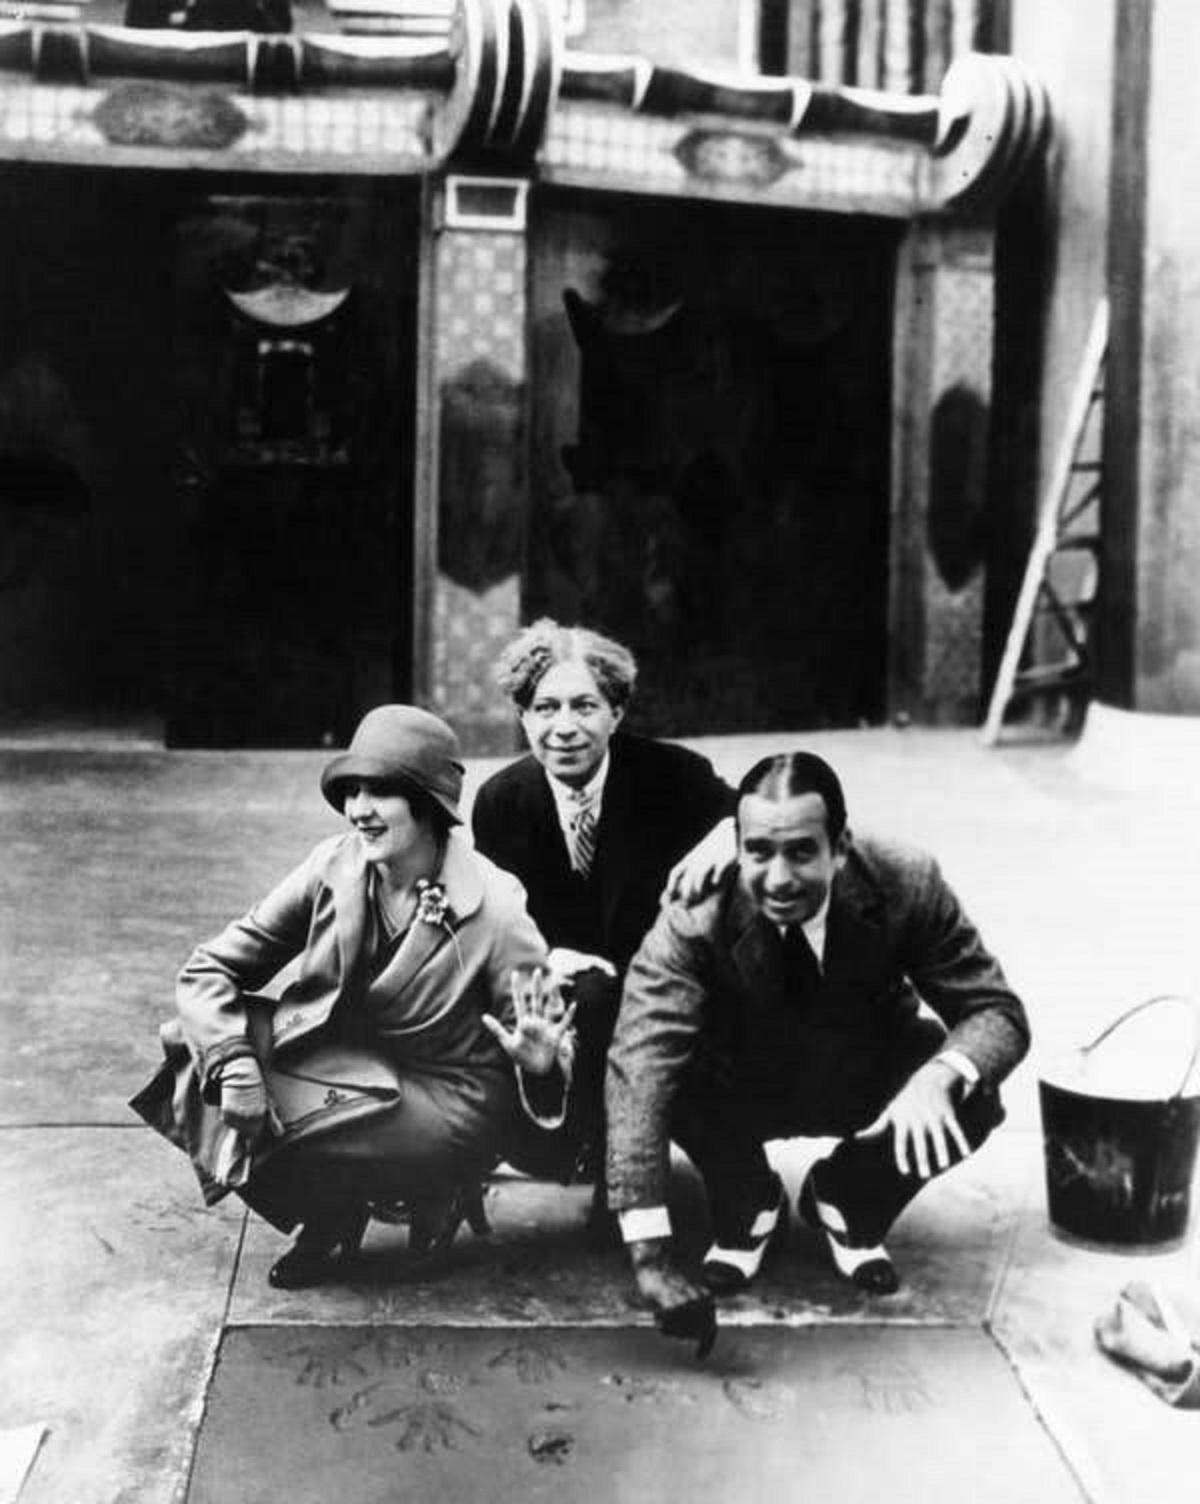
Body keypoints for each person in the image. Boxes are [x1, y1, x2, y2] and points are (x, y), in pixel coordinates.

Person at [606, 750, 1031, 1354]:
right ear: (736, 846)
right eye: (759, 852)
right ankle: (747, 1199)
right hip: (741, 1086)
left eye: (801, 851)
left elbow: (997, 1012)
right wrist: (649, 1256)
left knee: (973, 1091)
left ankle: (850, 1196)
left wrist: (939, 1076)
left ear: (841, 847)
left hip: (857, 1072)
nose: (779, 878)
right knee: (669, 1075)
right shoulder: (695, 914)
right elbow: (638, 1069)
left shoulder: (906, 881)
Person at [137, 705, 574, 1290]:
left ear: (428, 802)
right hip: (349, 1065)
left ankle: (434, 1187)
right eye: (352, 790)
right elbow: (209, 968)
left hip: (450, 1097)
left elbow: (543, 1051)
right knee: (195, 1055)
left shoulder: (495, 906)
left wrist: (541, 1067)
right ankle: (332, 1215)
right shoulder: (334, 867)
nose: (359, 811)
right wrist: (234, 1064)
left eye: (382, 791)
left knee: (285, 1115)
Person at [471, 619, 737, 1221]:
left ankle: (639, 1174)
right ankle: (589, 1149)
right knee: (582, 999)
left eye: (584, 705)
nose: (564, 727)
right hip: (563, 988)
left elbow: (758, 804)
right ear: (524, 717)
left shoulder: (671, 776)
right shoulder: (501, 801)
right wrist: (552, 958)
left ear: (616, 712)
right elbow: (500, 912)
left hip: (659, 986)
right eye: (544, 708)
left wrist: (729, 832)